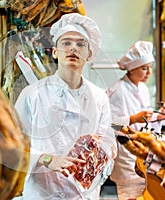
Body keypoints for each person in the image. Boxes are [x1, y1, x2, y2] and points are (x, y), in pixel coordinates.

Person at [14, 13, 117, 200]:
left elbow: (107, 142)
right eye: (66, 43)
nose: (73, 49)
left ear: (89, 54)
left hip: (84, 194)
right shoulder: (32, 95)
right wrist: (47, 159)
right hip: (43, 193)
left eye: (80, 44)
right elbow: (11, 145)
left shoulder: (99, 97)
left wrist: (99, 155)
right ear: (55, 52)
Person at [107, 41, 165, 199]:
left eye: (150, 67)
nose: (149, 72)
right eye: (144, 68)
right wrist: (132, 118)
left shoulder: (142, 88)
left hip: (145, 151)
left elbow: (146, 119)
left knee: (146, 191)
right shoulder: (118, 90)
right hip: (127, 155)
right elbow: (109, 124)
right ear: (131, 69)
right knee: (130, 193)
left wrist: (161, 116)